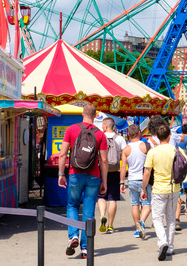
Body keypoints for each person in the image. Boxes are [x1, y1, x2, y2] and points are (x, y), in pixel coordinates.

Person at [57, 103, 108, 259]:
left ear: (82, 114)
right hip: (94, 176)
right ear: (95, 115)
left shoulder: (72, 129)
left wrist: (61, 173)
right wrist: (104, 181)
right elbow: (104, 160)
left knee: (72, 205)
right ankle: (85, 248)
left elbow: (63, 154)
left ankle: (73, 236)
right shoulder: (100, 134)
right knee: (88, 211)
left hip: (75, 174)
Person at [142, 123, 187, 261]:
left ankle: (162, 241)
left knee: (157, 218)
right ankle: (170, 247)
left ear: (157, 137)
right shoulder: (176, 149)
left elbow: (147, 172)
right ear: (169, 136)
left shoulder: (153, 151)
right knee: (170, 219)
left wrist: (143, 188)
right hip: (174, 188)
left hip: (158, 189)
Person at [119, 124, 150, 239]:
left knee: (135, 205)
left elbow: (123, 167)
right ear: (139, 133)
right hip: (144, 179)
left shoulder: (126, 149)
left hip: (131, 179)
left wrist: (122, 182)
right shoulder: (145, 146)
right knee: (146, 205)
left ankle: (137, 229)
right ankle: (141, 222)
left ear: (128, 135)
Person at [98, 118, 126, 235]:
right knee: (112, 199)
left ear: (105, 126)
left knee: (101, 197)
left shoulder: (100, 137)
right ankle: (110, 225)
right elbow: (124, 155)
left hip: (101, 171)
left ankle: (102, 215)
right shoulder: (120, 138)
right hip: (115, 171)